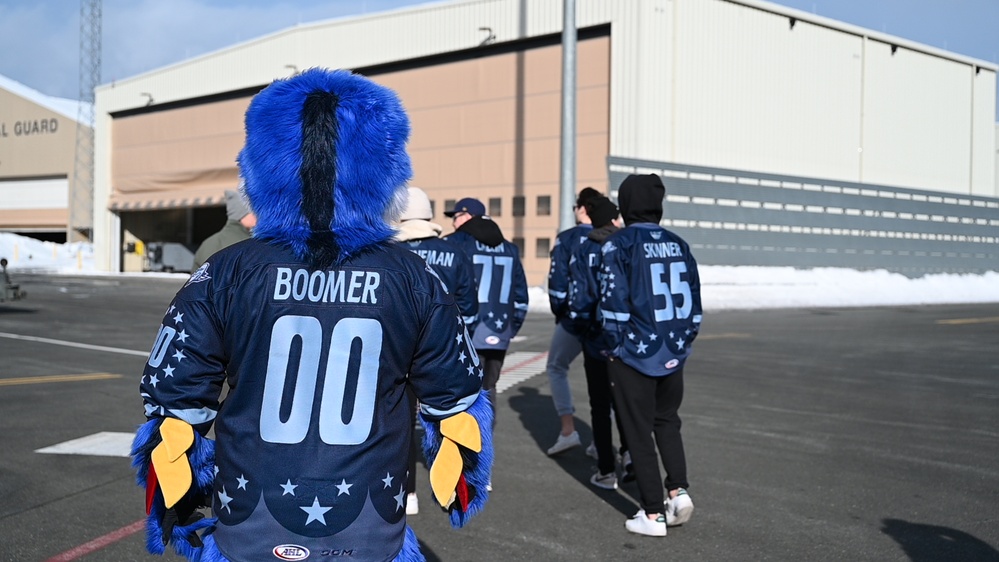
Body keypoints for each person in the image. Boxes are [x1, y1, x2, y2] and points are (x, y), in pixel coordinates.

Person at [130, 68, 493, 561]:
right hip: (369, 526)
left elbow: (174, 401)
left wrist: (178, 501)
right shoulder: (415, 277)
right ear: (382, 170)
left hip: (249, 521)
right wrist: (456, 485)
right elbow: (457, 403)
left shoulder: (226, 271)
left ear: (262, 166)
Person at [599, 173, 702, 537]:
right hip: (673, 350)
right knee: (667, 421)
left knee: (638, 430)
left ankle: (653, 512)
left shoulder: (619, 244)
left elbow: (612, 306)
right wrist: (681, 344)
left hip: (635, 353)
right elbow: (695, 308)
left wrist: (615, 347)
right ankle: (678, 490)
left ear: (625, 205)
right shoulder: (679, 244)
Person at [393, 186, 479, 515]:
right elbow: (469, 307)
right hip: (442, 350)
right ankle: (457, 484)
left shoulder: (389, 252)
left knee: (400, 419)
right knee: (448, 416)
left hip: (398, 350)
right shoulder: (454, 252)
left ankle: (407, 491)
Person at [444, 197, 528, 431]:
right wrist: (511, 328)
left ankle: (466, 449)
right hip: (499, 330)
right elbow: (521, 295)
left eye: (457, 216)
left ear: (469, 216)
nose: (453, 222)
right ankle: (484, 442)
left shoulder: (457, 243)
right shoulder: (509, 248)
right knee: (489, 387)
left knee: (462, 391)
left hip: (468, 330)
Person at [567, 195, 628, 490]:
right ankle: (630, 456)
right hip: (626, 339)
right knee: (626, 402)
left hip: (594, 335)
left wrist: (580, 327)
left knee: (600, 406)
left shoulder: (586, 246)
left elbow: (578, 294)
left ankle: (606, 467)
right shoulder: (625, 244)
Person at [544, 187, 600, 456]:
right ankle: (602, 440)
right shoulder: (610, 236)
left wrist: (560, 313)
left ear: (581, 209)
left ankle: (568, 430)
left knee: (556, 367)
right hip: (602, 320)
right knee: (604, 378)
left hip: (574, 318)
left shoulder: (567, 238)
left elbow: (557, 283)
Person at [191, 188, 257, 271]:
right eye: (254, 211)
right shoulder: (249, 245)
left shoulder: (208, 243)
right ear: (241, 214)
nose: (259, 216)